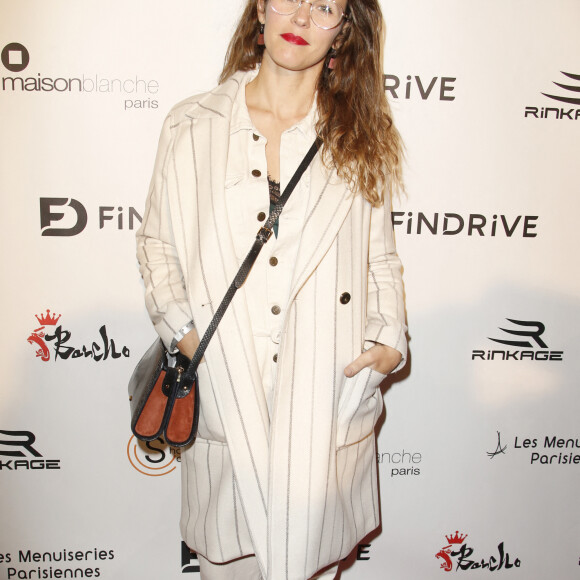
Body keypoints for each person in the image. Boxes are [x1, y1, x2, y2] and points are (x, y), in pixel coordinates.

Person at [136, 0, 407, 578]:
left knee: (309, 561)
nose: (302, 17)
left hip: (323, 394)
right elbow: (158, 248)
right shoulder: (192, 125)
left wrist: (386, 345)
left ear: (343, 31)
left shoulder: (360, 135)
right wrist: (188, 340)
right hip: (227, 385)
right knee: (227, 559)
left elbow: (379, 259)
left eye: (325, 6)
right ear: (260, 10)